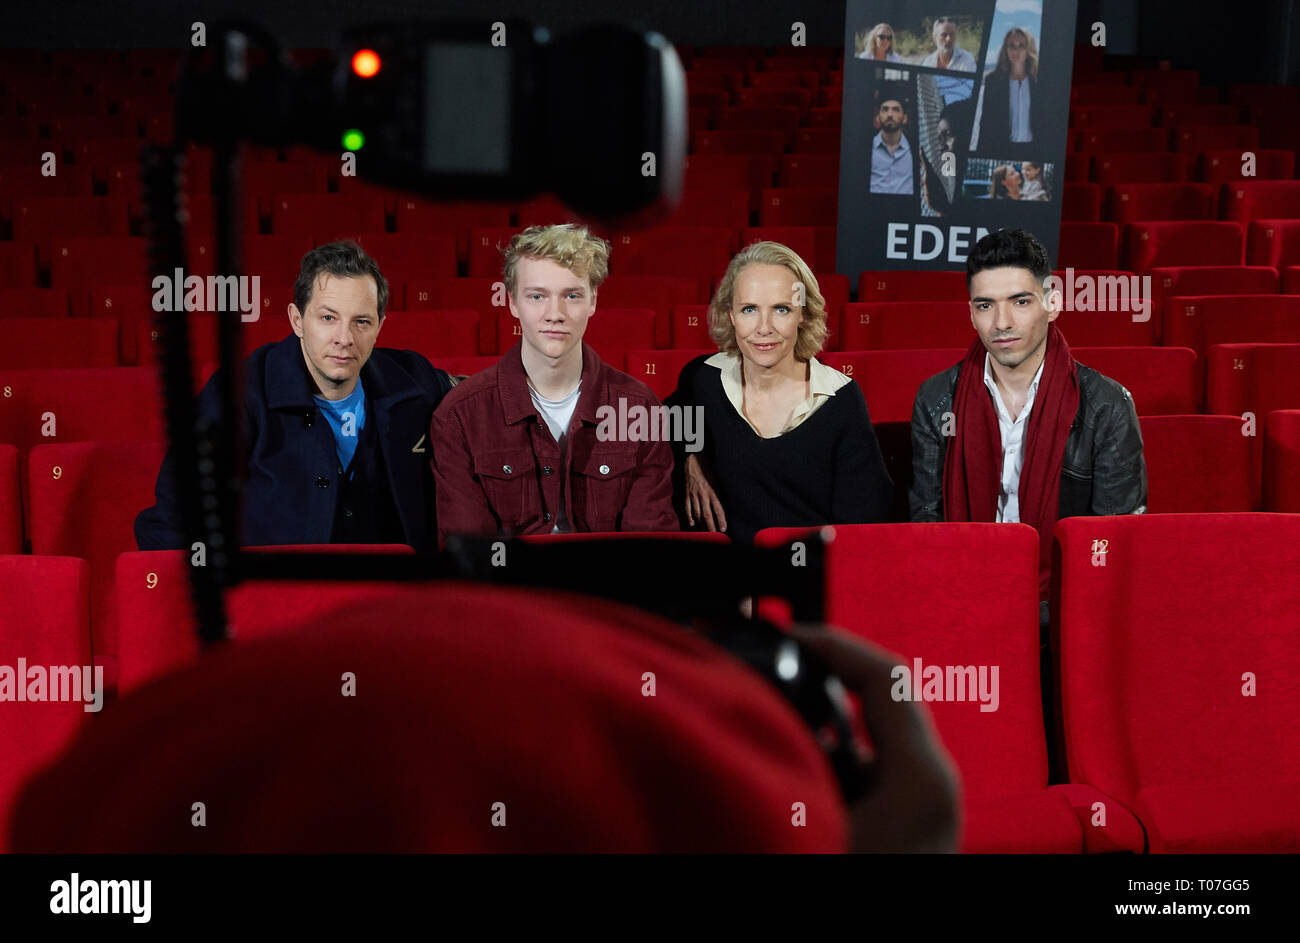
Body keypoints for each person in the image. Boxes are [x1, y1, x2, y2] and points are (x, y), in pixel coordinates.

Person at [135, 241, 455, 552]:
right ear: (297, 320)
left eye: (361, 322)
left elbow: (482, 399)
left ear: (380, 327)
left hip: (394, 595)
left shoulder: (416, 380)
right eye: (328, 318)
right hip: (281, 597)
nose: (344, 338)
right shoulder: (235, 394)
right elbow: (170, 525)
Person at [909, 228, 1147, 613]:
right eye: (985, 306)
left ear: (1052, 304)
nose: (1002, 322)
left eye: (1020, 302)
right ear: (971, 313)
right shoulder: (936, 400)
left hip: (1066, 607)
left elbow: (1110, 545)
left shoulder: (1107, 405)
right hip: (962, 596)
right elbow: (927, 526)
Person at [431, 223, 677, 540]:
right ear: (512, 302)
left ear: (593, 301)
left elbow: (649, 548)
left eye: (572, 295)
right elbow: (470, 558)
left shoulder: (639, 408)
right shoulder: (459, 415)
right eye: (537, 296)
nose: (555, 314)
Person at [669, 241, 892, 544]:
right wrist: (691, 456)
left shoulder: (841, 401)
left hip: (805, 580)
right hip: (727, 579)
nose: (764, 328)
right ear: (731, 315)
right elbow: (671, 414)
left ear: (803, 314)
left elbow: (862, 531)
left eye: (781, 309)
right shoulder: (705, 376)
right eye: (749, 309)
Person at [976, 27, 1042, 153]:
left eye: (1021, 46)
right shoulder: (993, 81)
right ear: (1005, 49)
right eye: (1011, 45)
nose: (1015, 50)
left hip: (1034, 150)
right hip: (1003, 148)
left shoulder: (1039, 81)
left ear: (1029, 49)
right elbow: (985, 124)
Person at [870, 87, 915, 195]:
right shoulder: (866, 148)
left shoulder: (915, 149)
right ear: (878, 118)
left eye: (895, 110)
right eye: (885, 109)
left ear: (905, 118)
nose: (890, 115)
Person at [922, 17, 977, 105]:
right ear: (934, 37)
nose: (949, 39)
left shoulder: (967, 59)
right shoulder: (928, 62)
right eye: (944, 35)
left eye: (952, 34)